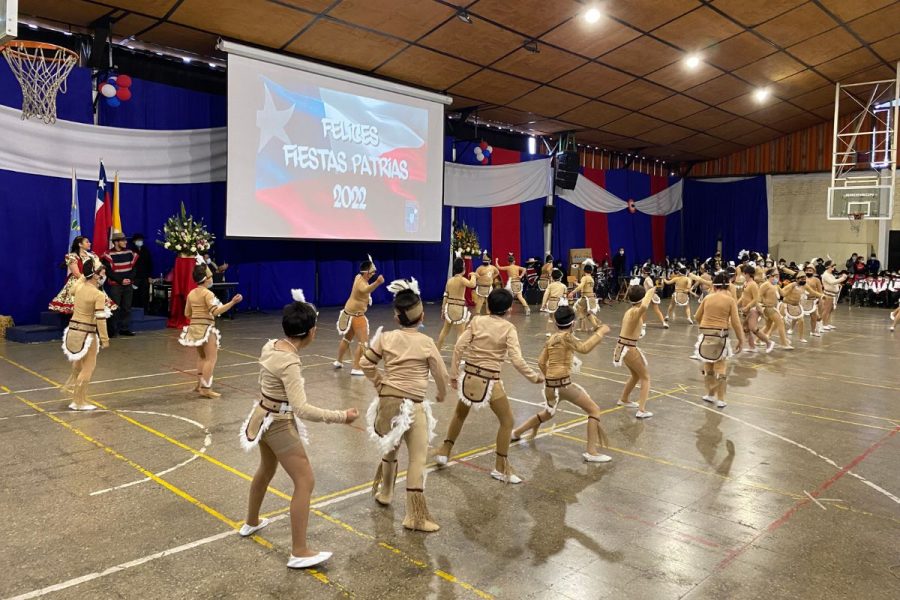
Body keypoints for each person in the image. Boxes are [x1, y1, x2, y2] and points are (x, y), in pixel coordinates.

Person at [240, 290, 359, 569]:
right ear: (310, 332)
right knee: (305, 481)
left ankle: (252, 521)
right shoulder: (290, 362)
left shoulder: (270, 346)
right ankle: (299, 550)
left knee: (266, 470)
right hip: (278, 424)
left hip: (262, 417)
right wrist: (341, 416)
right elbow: (302, 408)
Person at [361, 279, 449, 532]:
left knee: (390, 450)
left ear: (397, 318)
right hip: (414, 405)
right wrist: (442, 393)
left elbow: (367, 364)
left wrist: (380, 385)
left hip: (387, 403)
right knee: (417, 459)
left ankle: (386, 492)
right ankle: (415, 516)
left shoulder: (385, 338)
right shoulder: (426, 343)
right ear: (421, 316)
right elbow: (441, 375)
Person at [434, 289, 544, 484]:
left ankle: (445, 450)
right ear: (509, 309)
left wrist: (453, 375)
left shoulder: (476, 321)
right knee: (507, 421)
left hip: (468, 377)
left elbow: (459, 346)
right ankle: (500, 468)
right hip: (490, 381)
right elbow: (517, 360)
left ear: (488, 305)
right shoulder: (509, 328)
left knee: (460, 414)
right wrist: (534, 377)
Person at [512, 306, 612, 463]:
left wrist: (548, 377)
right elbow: (584, 348)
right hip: (563, 386)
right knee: (594, 410)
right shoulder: (567, 337)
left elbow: (540, 362)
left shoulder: (551, 339)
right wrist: (600, 333)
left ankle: (517, 433)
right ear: (573, 324)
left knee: (547, 414)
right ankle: (591, 452)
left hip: (550, 387)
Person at [179, 262, 243, 398]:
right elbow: (216, 311)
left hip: (195, 328)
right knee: (211, 359)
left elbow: (187, 313)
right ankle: (206, 388)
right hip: (206, 328)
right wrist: (232, 302)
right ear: (206, 279)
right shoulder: (208, 294)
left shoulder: (191, 293)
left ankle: (199, 385)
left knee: (202, 357)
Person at [60, 259, 110, 411]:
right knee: (88, 367)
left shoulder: (79, 287)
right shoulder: (97, 294)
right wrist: (104, 339)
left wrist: (84, 274)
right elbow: (100, 319)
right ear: (95, 275)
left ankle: (79, 398)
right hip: (87, 333)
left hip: (73, 330)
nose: (104, 275)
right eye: (102, 272)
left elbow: (72, 289)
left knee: (77, 366)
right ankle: (78, 401)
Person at [694, 273, 745, 409]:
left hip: (705, 335)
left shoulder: (707, 298)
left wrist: (705, 326)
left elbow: (697, 316)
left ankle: (710, 394)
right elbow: (736, 322)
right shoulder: (730, 300)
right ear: (727, 286)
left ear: (714, 286)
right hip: (720, 336)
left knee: (708, 365)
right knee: (721, 367)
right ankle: (721, 398)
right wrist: (741, 340)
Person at [334, 256, 384, 375]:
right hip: (356, 315)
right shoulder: (362, 283)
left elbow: (365, 288)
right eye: (371, 272)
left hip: (348, 313)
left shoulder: (358, 277)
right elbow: (366, 290)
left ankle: (339, 361)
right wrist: (377, 283)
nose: (373, 274)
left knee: (346, 339)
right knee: (363, 342)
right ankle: (356, 368)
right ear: (366, 272)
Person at [613, 281, 655, 419]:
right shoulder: (636, 311)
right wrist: (651, 290)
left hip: (622, 347)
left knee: (636, 375)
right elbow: (644, 306)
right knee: (645, 377)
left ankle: (624, 399)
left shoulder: (629, 311)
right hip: (629, 348)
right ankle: (641, 410)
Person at [49, 235, 117, 317]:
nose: (90, 243)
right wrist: (88, 282)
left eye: (89, 242)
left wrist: (98, 278)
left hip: (92, 282)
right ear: (80, 244)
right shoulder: (72, 256)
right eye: (87, 242)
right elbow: (76, 273)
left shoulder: (92, 255)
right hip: (78, 282)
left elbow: (99, 268)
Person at [436, 256, 477, 351]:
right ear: (463, 269)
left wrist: (443, 310)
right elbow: (472, 284)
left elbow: (445, 295)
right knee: (461, 333)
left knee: (444, 331)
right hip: (459, 309)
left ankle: (437, 351)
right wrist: (474, 275)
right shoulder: (462, 280)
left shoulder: (449, 281)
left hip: (449, 307)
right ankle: (458, 356)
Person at [102, 231, 137, 337]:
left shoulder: (130, 253)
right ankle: (112, 330)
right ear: (116, 242)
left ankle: (124, 328)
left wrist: (129, 279)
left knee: (127, 307)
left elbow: (134, 268)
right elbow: (109, 272)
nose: (126, 242)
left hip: (128, 284)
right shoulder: (108, 254)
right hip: (115, 285)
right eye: (123, 240)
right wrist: (120, 280)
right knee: (114, 308)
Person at [738, 265, 775, 353]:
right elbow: (743, 296)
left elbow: (756, 299)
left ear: (747, 274)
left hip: (753, 309)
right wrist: (736, 304)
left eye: (744, 273)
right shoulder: (746, 283)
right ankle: (752, 347)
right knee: (746, 328)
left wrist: (748, 307)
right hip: (746, 309)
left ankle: (769, 342)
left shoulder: (753, 284)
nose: (743, 275)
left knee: (753, 328)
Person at [760, 268, 792, 349]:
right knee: (780, 323)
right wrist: (762, 304)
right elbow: (758, 295)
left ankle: (757, 340)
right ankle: (784, 343)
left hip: (773, 307)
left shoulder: (776, 285)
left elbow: (784, 294)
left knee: (768, 326)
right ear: (770, 276)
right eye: (776, 275)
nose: (777, 277)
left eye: (778, 276)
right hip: (768, 308)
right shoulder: (765, 284)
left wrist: (791, 286)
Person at [568, 259, 601, 331]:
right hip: (591, 298)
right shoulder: (591, 279)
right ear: (591, 271)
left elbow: (581, 287)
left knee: (578, 308)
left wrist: (572, 292)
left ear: (584, 270)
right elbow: (584, 286)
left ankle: (583, 327)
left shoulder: (584, 277)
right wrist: (576, 283)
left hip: (586, 298)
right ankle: (595, 325)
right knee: (586, 312)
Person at [540, 268, 568, 336]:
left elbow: (546, 295)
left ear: (552, 277)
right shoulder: (564, 286)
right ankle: (559, 331)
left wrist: (543, 304)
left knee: (550, 318)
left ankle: (549, 332)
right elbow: (565, 296)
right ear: (561, 277)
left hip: (551, 303)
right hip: (560, 303)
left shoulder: (550, 285)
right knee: (559, 319)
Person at [821, 260, 847, 331]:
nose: (834, 267)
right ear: (828, 267)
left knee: (830, 310)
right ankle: (823, 324)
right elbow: (832, 282)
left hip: (833, 295)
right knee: (826, 310)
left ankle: (827, 323)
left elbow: (833, 282)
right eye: (832, 265)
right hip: (828, 295)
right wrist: (842, 278)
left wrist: (838, 283)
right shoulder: (825, 274)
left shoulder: (830, 274)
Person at [130, 233, 153, 309]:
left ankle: (145, 311)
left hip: (144, 277)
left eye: (141, 240)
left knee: (145, 294)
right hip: (135, 277)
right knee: (135, 295)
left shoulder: (146, 250)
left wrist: (150, 276)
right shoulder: (131, 251)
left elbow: (149, 264)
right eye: (138, 240)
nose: (140, 241)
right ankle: (135, 311)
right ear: (134, 241)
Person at [473, 251, 499, 316]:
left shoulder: (492, 267)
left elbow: (497, 272)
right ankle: (477, 314)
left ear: (490, 260)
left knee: (488, 300)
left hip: (489, 287)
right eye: (484, 260)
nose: (485, 261)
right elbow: (475, 275)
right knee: (480, 300)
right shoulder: (480, 268)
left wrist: (492, 277)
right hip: (481, 287)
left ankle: (488, 313)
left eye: (486, 260)